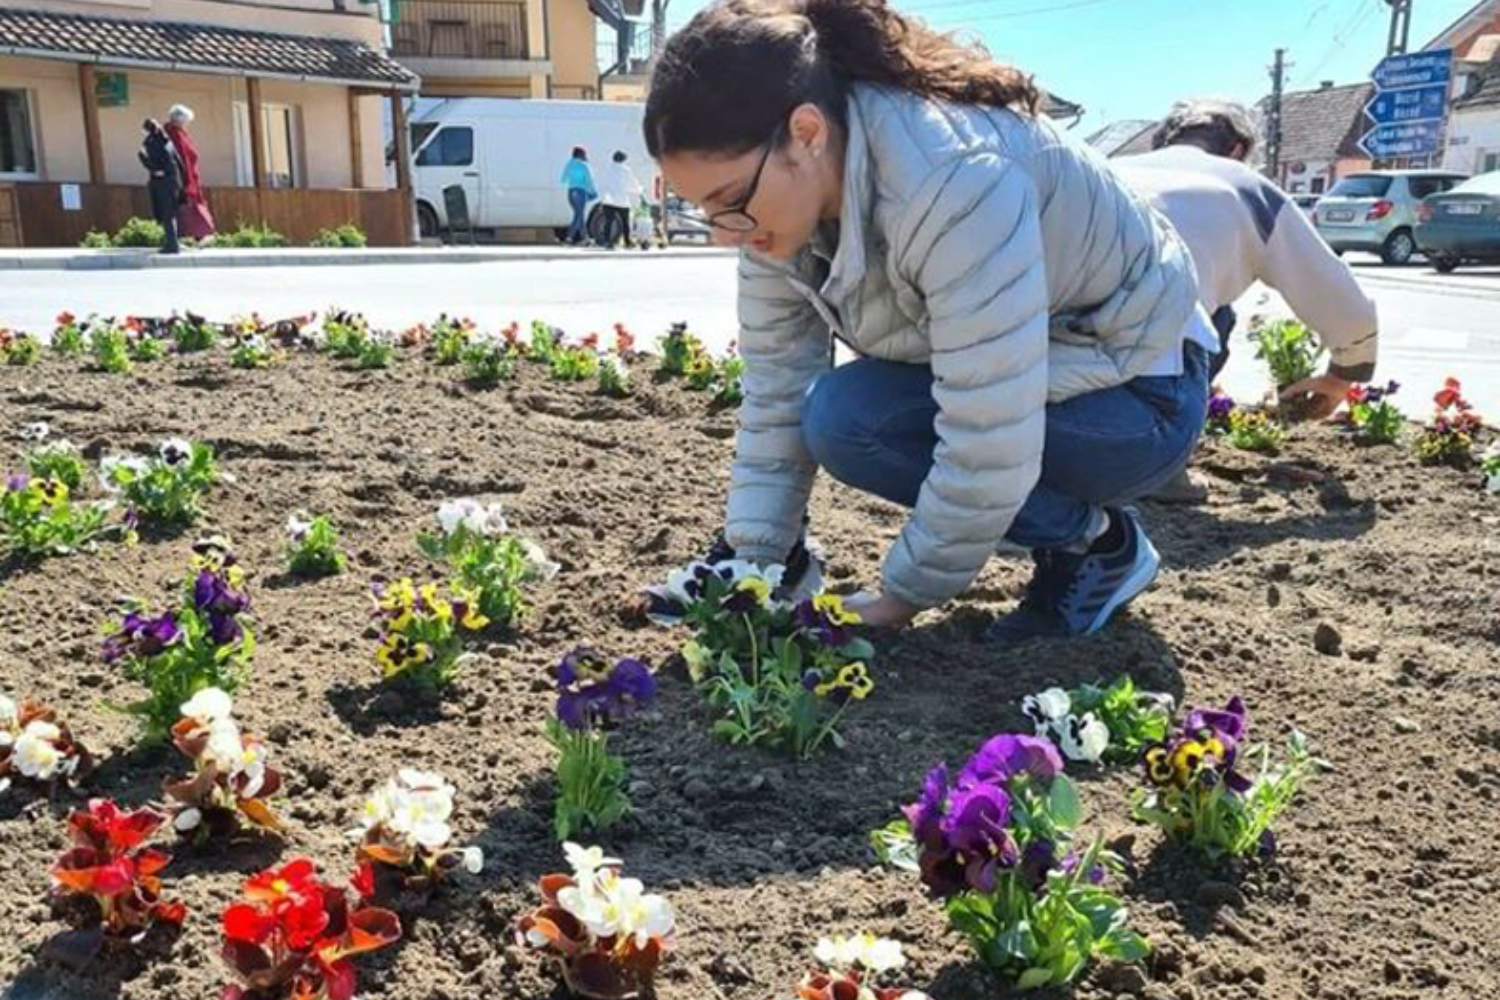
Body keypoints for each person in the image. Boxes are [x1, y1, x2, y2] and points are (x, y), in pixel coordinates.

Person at [644, 0, 1218, 640]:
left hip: (1141, 395)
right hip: (1048, 375)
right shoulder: (772, 215)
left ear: (805, 133)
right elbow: (776, 387)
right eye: (704, 211)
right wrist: (758, 560)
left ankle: (1099, 544)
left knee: (853, 422)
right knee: (838, 413)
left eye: (729, 201)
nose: (724, 234)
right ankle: (788, 561)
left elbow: (987, 426)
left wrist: (900, 599)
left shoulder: (953, 179)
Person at [1115, 99, 1380, 502]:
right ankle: (1161, 466)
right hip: (1149, 373)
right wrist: (1343, 374)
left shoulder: (1108, 170)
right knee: (1213, 318)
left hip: (1050, 362)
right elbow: (1339, 297)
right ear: (1238, 149)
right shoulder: (1244, 186)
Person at [163, 104, 217, 243]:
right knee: (186, 206)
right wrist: (188, 181)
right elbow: (183, 158)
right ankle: (190, 235)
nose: (188, 124)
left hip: (188, 176)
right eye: (187, 121)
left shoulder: (179, 133)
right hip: (183, 178)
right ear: (180, 120)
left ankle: (196, 234)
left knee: (190, 206)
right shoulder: (175, 134)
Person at [138, 118, 182, 255]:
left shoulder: (150, 142)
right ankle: (173, 242)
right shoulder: (166, 140)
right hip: (172, 180)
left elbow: (148, 161)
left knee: (165, 213)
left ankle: (172, 245)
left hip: (161, 182)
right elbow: (176, 160)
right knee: (170, 213)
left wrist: (144, 159)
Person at [597, 150, 646, 249]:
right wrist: (640, 190)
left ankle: (607, 242)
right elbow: (633, 184)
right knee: (625, 222)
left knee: (608, 221)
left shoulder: (607, 169)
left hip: (608, 200)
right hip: (622, 201)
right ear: (623, 160)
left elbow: (601, 184)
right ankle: (627, 242)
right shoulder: (626, 170)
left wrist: (602, 197)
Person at [559, 147, 597, 246]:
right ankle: (570, 237)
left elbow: (563, 179)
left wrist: (573, 179)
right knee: (579, 215)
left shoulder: (569, 164)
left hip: (571, 192)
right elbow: (589, 180)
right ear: (581, 154)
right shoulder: (584, 165)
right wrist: (593, 191)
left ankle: (584, 238)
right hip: (581, 192)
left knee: (579, 215)